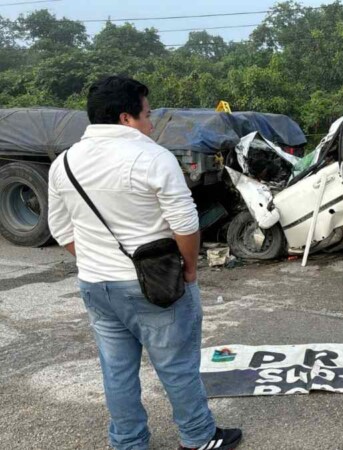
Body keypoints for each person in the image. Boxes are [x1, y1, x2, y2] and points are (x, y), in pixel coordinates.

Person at [47, 76, 242, 450]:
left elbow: (60, 229)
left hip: (96, 286)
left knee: (117, 371)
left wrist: (93, 261)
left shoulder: (65, 164)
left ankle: (128, 442)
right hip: (156, 285)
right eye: (148, 115)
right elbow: (185, 224)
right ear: (126, 117)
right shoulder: (152, 157)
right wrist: (188, 271)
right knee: (177, 365)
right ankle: (198, 437)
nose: (151, 124)